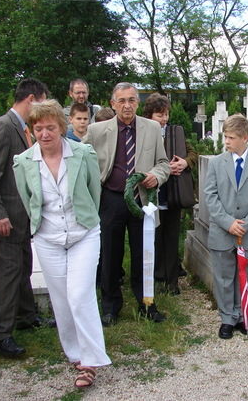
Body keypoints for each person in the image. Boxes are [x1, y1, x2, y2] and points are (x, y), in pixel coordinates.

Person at [13, 100, 111, 388]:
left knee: (80, 294)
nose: (45, 134)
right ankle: (75, 354)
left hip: (83, 234)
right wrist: (40, 229)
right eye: (38, 128)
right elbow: (28, 199)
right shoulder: (24, 162)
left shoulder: (83, 153)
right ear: (32, 131)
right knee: (62, 299)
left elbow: (95, 193)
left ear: (62, 127)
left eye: (51, 128)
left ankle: (91, 361)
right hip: (48, 237)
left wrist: (85, 220)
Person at [0, 78, 55, 358]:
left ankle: (26, 317)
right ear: (32, 99)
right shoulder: (2, 126)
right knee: (9, 274)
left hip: (20, 219)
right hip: (4, 219)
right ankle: (0, 335)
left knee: (22, 267)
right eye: (42, 102)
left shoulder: (21, 128)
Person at [83, 82, 170, 326]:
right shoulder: (96, 131)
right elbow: (84, 167)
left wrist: (156, 175)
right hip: (111, 200)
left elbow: (163, 162)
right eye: (121, 101)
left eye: (131, 100)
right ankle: (110, 307)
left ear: (138, 103)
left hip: (142, 200)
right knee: (110, 254)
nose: (127, 105)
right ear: (112, 104)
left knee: (144, 254)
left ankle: (147, 304)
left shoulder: (152, 128)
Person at [205, 114, 248, 339]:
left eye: (231, 137)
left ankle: (244, 316)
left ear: (245, 137)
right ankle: (227, 318)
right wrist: (228, 222)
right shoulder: (216, 163)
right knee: (223, 276)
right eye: (225, 137)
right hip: (222, 231)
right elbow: (210, 196)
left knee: (245, 275)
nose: (227, 142)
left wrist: (247, 223)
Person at [142, 93, 197, 295]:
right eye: (159, 115)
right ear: (149, 115)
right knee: (154, 238)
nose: (164, 119)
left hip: (172, 194)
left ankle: (172, 281)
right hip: (153, 194)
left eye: (166, 114)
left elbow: (192, 153)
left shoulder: (174, 133)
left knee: (171, 238)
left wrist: (184, 162)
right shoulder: (143, 134)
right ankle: (157, 278)